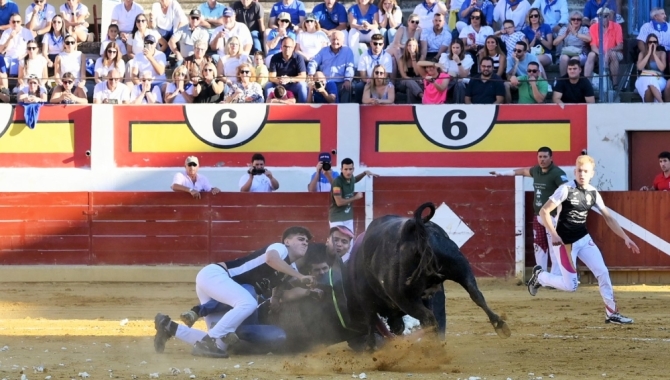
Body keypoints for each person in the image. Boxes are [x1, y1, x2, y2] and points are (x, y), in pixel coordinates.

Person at [153, 226, 315, 358]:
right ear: (287, 241)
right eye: (300, 239)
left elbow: (281, 283)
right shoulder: (279, 248)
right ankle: (207, 341)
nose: (305, 243)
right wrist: (300, 276)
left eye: (307, 241)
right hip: (216, 275)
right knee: (248, 303)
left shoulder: (290, 269)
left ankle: (169, 326)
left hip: (218, 284)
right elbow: (271, 260)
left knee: (222, 344)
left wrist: (276, 297)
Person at [527, 155, 640, 325]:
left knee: (602, 272)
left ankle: (611, 313)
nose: (582, 174)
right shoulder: (565, 189)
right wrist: (554, 234)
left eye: (585, 171)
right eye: (579, 171)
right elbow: (544, 212)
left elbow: (608, 218)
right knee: (571, 286)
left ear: (592, 174)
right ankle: (540, 276)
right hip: (564, 243)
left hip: (583, 238)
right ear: (575, 171)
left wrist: (625, 237)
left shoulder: (593, 193)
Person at [490, 147, 568, 275]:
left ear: (551, 158)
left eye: (545, 157)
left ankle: (556, 278)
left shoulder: (557, 173)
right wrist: (502, 173)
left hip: (553, 217)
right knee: (539, 247)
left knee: (555, 248)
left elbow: (566, 189)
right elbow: (522, 171)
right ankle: (541, 277)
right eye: (540, 157)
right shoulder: (536, 170)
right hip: (538, 216)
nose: (542, 160)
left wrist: (561, 214)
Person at [329, 157, 378, 233]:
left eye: (350, 169)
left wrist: (364, 173)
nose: (348, 172)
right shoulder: (337, 182)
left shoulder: (351, 178)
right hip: (337, 218)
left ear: (353, 169)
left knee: (349, 243)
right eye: (345, 169)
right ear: (341, 169)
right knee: (337, 242)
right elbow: (339, 202)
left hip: (348, 218)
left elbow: (355, 179)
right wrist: (355, 197)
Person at [308, 31, 354, 103]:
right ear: (330, 40)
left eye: (337, 39)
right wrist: (311, 73)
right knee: (313, 86)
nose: (335, 42)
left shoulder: (347, 51)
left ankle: (344, 111)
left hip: (340, 82)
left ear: (343, 41)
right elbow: (313, 62)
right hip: (325, 82)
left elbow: (350, 67)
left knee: (347, 87)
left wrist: (347, 80)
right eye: (333, 39)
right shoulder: (323, 51)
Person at [584, 9, 622, 83]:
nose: (602, 18)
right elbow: (593, 46)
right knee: (591, 55)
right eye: (600, 16)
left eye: (604, 16)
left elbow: (620, 46)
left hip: (614, 51)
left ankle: (615, 83)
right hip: (599, 53)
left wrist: (610, 51)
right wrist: (601, 54)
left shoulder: (617, 26)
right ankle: (586, 83)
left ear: (609, 17)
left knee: (613, 54)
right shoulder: (593, 27)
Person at [266, 36, 307, 103]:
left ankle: (303, 108)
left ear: (293, 48)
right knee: (268, 86)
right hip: (279, 84)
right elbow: (271, 77)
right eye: (285, 46)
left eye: (289, 47)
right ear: (281, 47)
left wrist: (289, 79)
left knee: (302, 85)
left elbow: (303, 77)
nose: (287, 49)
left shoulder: (299, 58)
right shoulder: (275, 58)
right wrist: (279, 80)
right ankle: (268, 109)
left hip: (293, 84)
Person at [355, 33, 393, 102]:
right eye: (375, 43)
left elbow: (386, 75)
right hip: (368, 80)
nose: (377, 46)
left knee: (390, 85)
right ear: (371, 43)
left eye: (380, 44)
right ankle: (359, 107)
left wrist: (377, 81)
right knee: (359, 86)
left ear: (383, 45)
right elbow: (363, 76)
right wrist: (370, 81)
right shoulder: (364, 56)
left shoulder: (387, 56)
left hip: (382, 80)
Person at [553, 11, 590, 76]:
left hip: (580, 53)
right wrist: (565, 35)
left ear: (581, 21)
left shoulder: (584, 29)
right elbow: (555, 43)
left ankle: (574, 80)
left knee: (574, 60)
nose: (576, 21)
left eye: (578, 19)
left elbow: (588, 39)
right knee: (564, 58)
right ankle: (563, 80)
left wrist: (576, 34)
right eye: (573, 19)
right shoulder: (564, 29)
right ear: (570, 20)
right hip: (567, 52)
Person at [0, 13, 34, 81]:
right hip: (8, 58)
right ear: (10, 22)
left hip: (23, 57)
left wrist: (24, 56)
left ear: (21, 22)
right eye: (13, 21)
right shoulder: (6, 33)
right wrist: (10, 38)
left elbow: (33, 48)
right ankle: (4, 85)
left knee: (22, 62)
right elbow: (1, 50)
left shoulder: (27, 32)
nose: (15, 23)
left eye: (18, 22)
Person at [636, 33, 666, 103]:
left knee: (650, 79)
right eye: (650, 42)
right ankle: (661, 103)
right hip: (643, 78)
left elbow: (662, 68)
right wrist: (649, 53)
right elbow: (639, 67)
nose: (652, 44)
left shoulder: (662, 53)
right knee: (648, 80)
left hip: (659, 79)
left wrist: (654, 54)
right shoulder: (642, 53)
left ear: (657, 44)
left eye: (654, 42)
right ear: (647, 43)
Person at [396, 38, 422, 102]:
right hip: (403, 82)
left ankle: (410, 106)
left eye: (413, 45)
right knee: (409, 81)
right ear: (406, 47)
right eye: (409, 45)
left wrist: (413, 59)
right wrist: (414, 80)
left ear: (416, 47)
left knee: (410, 89)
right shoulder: (401, 59)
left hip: (416, 82)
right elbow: (403, 76)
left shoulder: (420, 57)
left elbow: (417, 73)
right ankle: (422, 95)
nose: (411, 47)